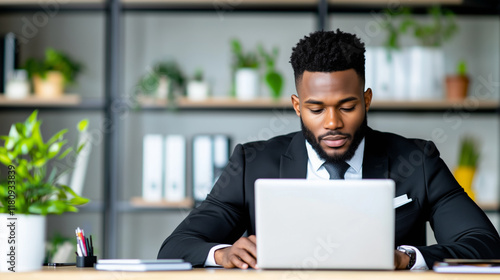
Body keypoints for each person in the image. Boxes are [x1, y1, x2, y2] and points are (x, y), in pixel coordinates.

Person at [157, 29, 500, 270]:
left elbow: (483, 243)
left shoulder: (418, 162)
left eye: (347, 107)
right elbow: (176, 247)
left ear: (366, 100)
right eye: (316, 109)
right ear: (297, 106)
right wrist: (222, 254)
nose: (332, 122)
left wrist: (407, 257)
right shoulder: (252, 162)